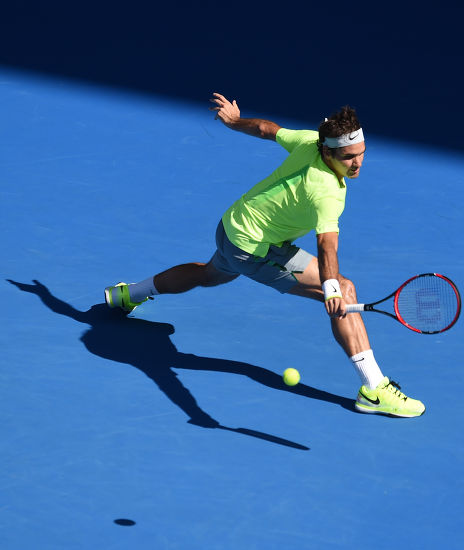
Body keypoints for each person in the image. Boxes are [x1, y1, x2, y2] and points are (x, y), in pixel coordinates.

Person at [104, 92, 425, 418]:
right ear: (328, 150)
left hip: (233, 225)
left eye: (361, 154)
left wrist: (233, 122)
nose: (357, 163)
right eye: (348, 157)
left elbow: (266, 128)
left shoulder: (309, 141)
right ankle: (373, 389)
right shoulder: (327, 191)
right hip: (254, 248)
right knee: (346, 289)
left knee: (207, 274)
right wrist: (330, 288)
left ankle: (127, 294)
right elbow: (327, 245)